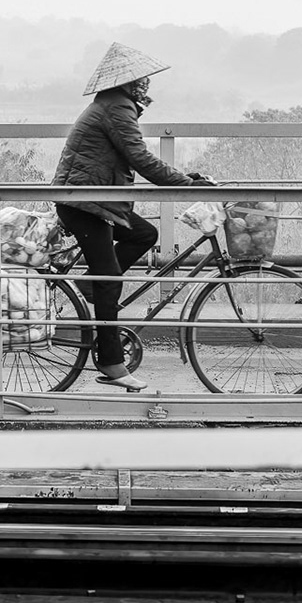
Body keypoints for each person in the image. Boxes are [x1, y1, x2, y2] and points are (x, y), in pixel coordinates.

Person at [53, 42, 214, 390]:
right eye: (142, 79)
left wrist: (188, 180)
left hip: (96, 200)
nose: (146, 85)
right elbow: (141, 158)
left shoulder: (113, 103)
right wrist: (186, 183)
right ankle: (111, 363)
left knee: (143, 235)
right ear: (128, 82)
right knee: (110, 279)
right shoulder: (116, 107)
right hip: (83, 203)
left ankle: (88, 287)